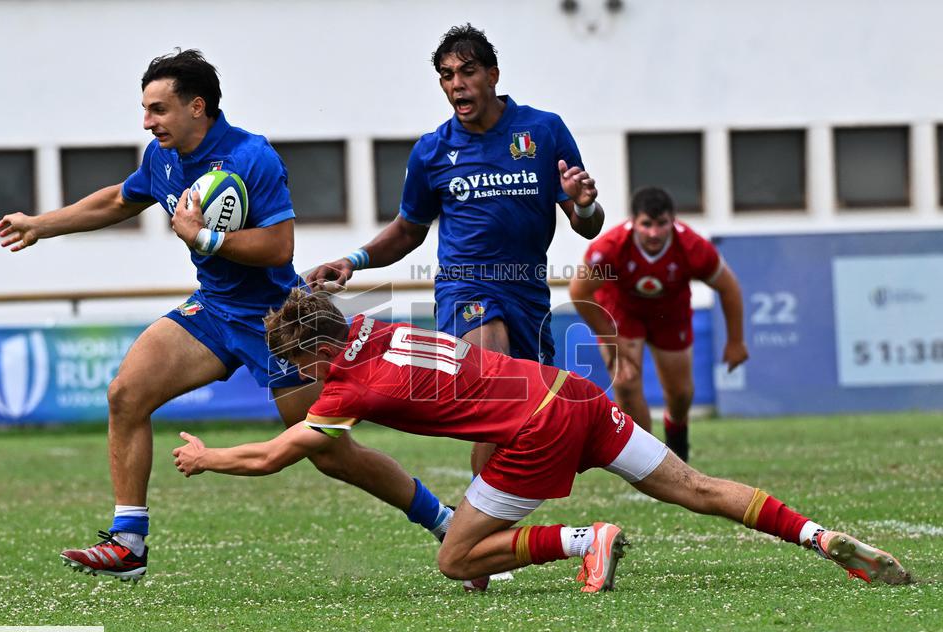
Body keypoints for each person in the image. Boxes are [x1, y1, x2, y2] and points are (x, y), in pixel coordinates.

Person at [0, 49, 453, 582]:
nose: (147, 121)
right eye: (145, 109)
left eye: (158, 109)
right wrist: (41, 225)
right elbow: (120, 200)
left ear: (197, 106)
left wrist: (204, 238)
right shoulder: (162, 157)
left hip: (280, 323)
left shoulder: (252, 157)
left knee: (330, 453)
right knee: (125, 395)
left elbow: (279, 248)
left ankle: (444, 520)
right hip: (212, 310)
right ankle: (128, 542)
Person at [172, 290, 911, 591]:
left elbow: (274, 454)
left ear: (318, 351)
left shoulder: (346, 387)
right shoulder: (372, 324)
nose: (299, 375)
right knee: (696, 488)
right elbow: (320, 317)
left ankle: (586, 540)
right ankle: (818, 537)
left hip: (537, 431)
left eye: (298, 362)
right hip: (571, 393)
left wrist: (207, 459)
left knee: (455, 559)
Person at [307, 24, 604, 481]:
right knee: (496, 387)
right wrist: (353, 260)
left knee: (522, 420)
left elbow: (588, 226)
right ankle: (479, 515)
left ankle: (486, 512)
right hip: (466, 287)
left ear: (493, 75)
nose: (457, 84)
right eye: (447, 76)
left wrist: (583, 204)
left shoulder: (543, 131)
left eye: (467, 72)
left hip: (526, 292)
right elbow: (408, 230)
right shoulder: (433, 150)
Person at [569, 187, 749, 461]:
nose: (653, 233)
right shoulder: (612, 246)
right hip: (623, 314)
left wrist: (735, 342)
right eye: (646, 224)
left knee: (681, 394)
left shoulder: (692, 247)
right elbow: (579, 291)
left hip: (671, 315)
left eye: (661, 224)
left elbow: (729, 287)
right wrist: (613, 340)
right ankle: (646, 461)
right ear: (633, 222)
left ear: (673, 221)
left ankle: (676, 431)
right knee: (626, 383)